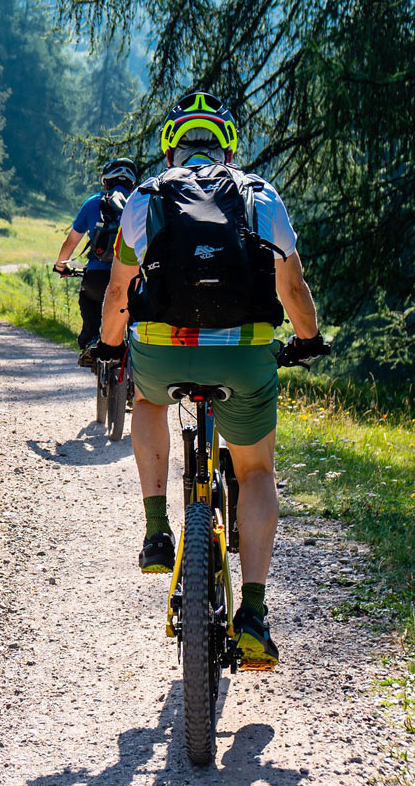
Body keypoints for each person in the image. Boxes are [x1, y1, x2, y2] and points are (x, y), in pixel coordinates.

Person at [93, 93, 330, 668]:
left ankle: (156, 529)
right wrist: (307, 339)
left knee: (147, 402)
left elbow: (120, 291)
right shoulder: (260, 196)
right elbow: (293, 291)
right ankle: (252, 611)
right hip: (244, 355)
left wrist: (108, 344)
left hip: (163, 351)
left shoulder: (146, 198)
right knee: (256, 471)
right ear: (226, 145)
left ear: (172, 145)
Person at [53, 158, 137, 366]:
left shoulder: (93, 203)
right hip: (132, 278)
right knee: (136, 311)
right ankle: (138, 353)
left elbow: (70, 242)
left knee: (89, 298)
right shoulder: (141, 202)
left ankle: (91, 339)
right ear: (132, 184)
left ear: (106, 183)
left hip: (98, 277)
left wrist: (60, 266)